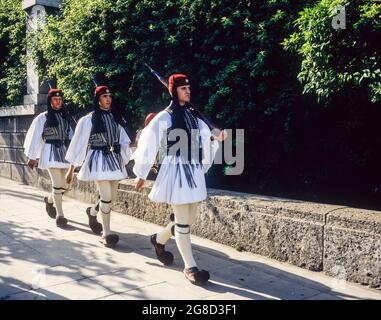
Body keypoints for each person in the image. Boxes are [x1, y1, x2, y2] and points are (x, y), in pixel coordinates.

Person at [133, 74, 226, 285]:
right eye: (183, 88)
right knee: (183, 222)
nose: (188, 91)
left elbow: (205, 136)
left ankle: (158, 239)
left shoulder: (194, 116)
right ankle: (190, 267)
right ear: (174, 91)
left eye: (189, 87)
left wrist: (216, 137)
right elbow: (148, 142)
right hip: (175, 171)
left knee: (187, 220)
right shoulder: (164, 117)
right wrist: (141, 174)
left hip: (192, 170)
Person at [65, 85, 132, 247]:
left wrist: (126, 155)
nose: (108, 99)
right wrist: (71, 169)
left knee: (111, 198)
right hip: (98, 160)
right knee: (107, 198)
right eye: (104, 96)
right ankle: (106, 233)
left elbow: (123, 140)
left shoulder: (116, 117)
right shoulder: (88, 120)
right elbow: (78, 144)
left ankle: (92, 211)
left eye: (109, 96)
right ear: (98, 99)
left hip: (114, 160)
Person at [23, 88, 73, 228]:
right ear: (50, 101)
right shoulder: (42, 118)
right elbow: (35, 137)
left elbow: (71, 136)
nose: (58, 102)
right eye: (55, 99)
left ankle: (49, 200)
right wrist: (32, 157)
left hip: (63, 153)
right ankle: (60, 215)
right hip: (50, 152)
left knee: (64, 186)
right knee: (57, 184)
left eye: (60, 99)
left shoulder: (66, 117)